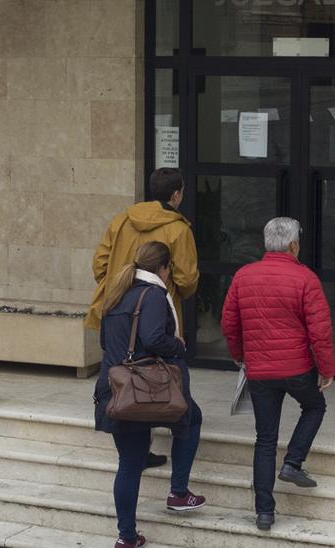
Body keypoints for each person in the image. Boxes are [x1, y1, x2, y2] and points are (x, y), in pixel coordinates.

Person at [220, 217, 335, 532]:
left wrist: (239, 355)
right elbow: (320, 333)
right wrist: (326, 369)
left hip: (259, 371)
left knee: (265, 439)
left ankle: (264, 513)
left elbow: (229, 324)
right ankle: (293, 462)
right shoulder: (305, 278)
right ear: (294, 245)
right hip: (297, 368)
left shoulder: (244, 276)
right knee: (315, 406)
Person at [93, 242, 206, 548]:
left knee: (129, 463)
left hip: (116, 389)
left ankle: (126, 537)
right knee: (191, 418)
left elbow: (106, 341)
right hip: (146, 387)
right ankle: (179, 492)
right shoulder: (154, 295)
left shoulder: (117, 293)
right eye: (170, 269)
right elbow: (153, 337)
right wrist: (178, 345)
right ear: (164, 268)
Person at [87, 167, 200, 470]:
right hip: (156, 315)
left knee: (126, 372)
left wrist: (118, 285)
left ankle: (139, 446)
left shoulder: (122, 220)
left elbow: (99, 264)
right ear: (176, 195)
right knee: (159, 373)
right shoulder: (179, 229)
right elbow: (188, 280)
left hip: (119, 312)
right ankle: (176, 459)